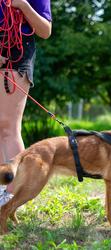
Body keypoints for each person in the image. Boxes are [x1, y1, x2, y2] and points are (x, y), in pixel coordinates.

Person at [0, 0, 52, 206]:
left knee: (7, 127)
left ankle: (10, 195)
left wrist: (23, 5)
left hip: (18, 47)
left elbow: (45, 31)